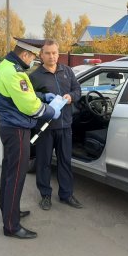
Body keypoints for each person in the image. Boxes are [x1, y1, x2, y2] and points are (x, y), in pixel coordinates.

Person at [0, 40, 60, 239]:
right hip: (17, 129)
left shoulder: (4, 65)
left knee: (8, 172)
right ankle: (11, 226)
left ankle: (8, 210)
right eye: (33, 57)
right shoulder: (15, 73)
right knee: (16, 177)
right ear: (25, 55)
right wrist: (51, 111)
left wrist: (41, 95)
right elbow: (29, 106)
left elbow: (20, 94)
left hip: (8, 127)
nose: (34, 61)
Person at [29, 39, 82, 211]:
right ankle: (45, 195)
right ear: (41, 55)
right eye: (48, 53)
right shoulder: (34, 76)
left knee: (65, 161)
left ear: (58, 54)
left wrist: (71, 97)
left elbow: (77, 90)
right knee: (43, 163)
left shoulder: (67, 71)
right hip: (45, 126)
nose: (51, 56)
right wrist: (43, 97)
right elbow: (29, 97)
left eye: (54, 53)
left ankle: (66, 194)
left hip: (65, 125)